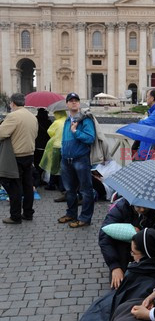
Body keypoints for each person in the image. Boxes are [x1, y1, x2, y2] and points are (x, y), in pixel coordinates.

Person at [98, 198, 155, 289]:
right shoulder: (121, 208)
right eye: (138, 206)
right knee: (120, 285)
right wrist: (115, 266)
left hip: (145, 250)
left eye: (145, 206)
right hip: (123, 251)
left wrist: (142, 233)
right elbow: (104, 238)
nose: (142, 209)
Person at [58, 92, 96, 228]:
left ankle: (85, 218)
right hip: (66, 160)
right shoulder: (67, 120)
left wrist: (76, 131)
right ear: (67, 104)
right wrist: (63, 152)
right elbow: (65, 140)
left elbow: (90, 138)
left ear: (79, 103)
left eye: (76, 100)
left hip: (80, 159)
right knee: (69, 190)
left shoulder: (85, 119)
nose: (74, 102)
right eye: (71, 100)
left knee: (86, 190)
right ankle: (71, 214)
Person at [0, 93, 38, 224]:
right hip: (29, 154)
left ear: (12, 103)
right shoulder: (32, 116)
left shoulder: (13, 116)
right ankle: (28, 213)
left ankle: (15, 216)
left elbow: (2, 133)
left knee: (14, 186)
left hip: (16, 156)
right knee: (28, 185)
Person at [134, 89, 155, 160]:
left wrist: (141, 120)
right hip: (149, 151)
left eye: (147, 96)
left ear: (152, 98)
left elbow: (141, 126)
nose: (146, 99)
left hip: (150, 154)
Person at [39, 109, 67, 197]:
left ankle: (52, 184)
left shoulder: (57, 122)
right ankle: (63, 186)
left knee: (54, 166)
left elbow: (49, 132)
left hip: (56, 146)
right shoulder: (68, 121)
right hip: (66, 147)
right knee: (64, 167)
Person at [33, 108, 52, 187]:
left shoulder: (35, 121)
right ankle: (41, 179)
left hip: (36, 145)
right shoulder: (49, 122)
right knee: (44, 163)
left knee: (36, 163)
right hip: (45, 146)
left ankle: (37, 180)